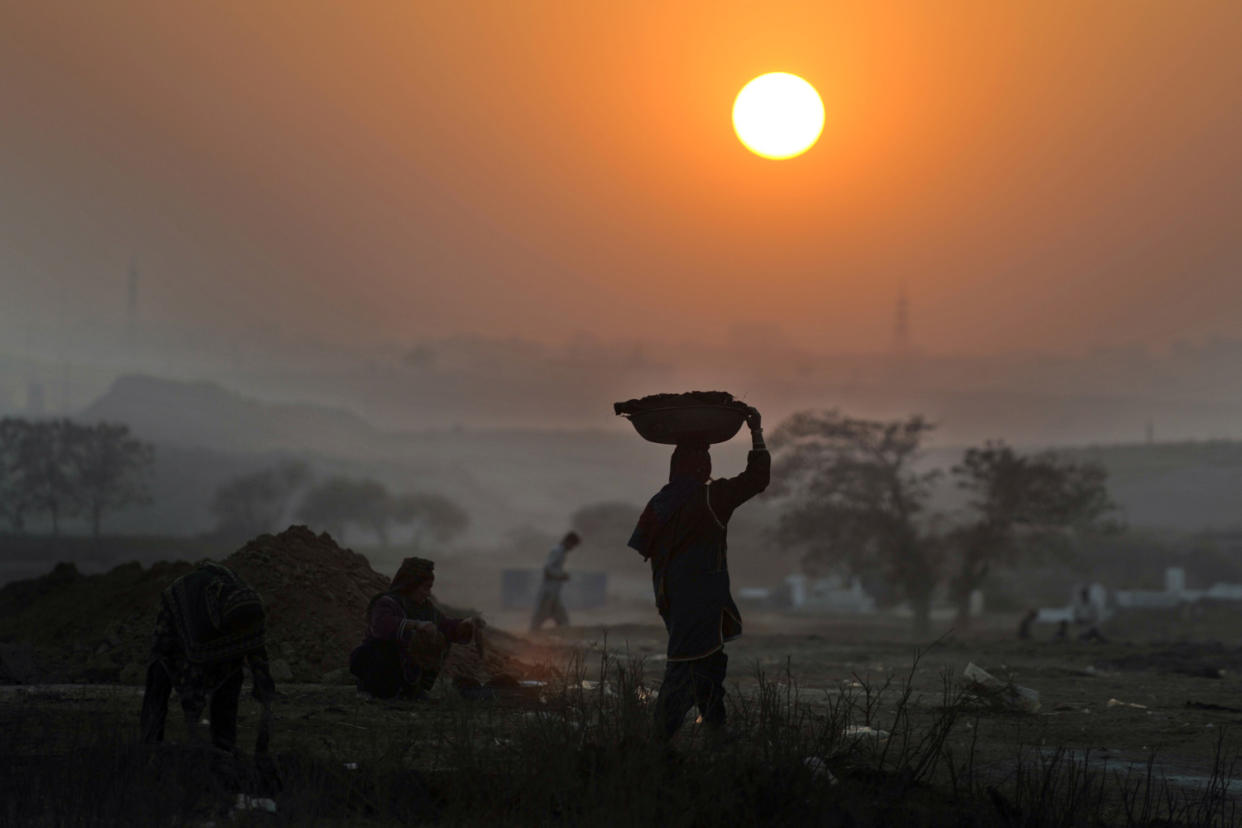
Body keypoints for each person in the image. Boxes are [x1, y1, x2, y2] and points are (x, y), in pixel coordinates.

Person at [628, 406, 769, 740]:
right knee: (684, 667)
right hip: (701, 602)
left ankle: (716, 735)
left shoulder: (658, 504)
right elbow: (757, 479)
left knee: (707, 666)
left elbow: (642, 546)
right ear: (702, 467)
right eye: (704, 462)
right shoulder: (711, 499)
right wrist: (756, 432)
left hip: (670, 599)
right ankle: (658, 743)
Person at [140, 561, 276, 754]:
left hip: (219, 620)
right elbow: (192, 676)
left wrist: (265, 692)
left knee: (231, 675)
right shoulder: (199, 625)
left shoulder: (251, 611)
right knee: (160, 669)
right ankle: (150, 741)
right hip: (176, 617)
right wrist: (193, 725)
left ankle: (224, 743)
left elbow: (258, 655)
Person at [350, 556, 482, 699]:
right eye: (425, 587)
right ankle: (371, 690)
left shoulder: (427, 609)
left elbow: (445, 625)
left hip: (407, 675)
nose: (428, 593)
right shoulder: (387, 603)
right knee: (379, 648)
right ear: (411, 584)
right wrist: (415, 625)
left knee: (439, 637)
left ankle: (412, 689)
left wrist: (466, 625)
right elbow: (382, 627)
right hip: (381, 668)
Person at [529, 531, 581, 632]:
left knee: (563, 620)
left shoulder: (561, 552)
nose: (572, 548)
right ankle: (530, 640)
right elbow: (548, 569)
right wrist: (561, 576)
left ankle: (562, 640)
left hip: (554, 593)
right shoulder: (557, 551)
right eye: (573, 545)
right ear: (568, 542)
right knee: (539, 618)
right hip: (548, 592)